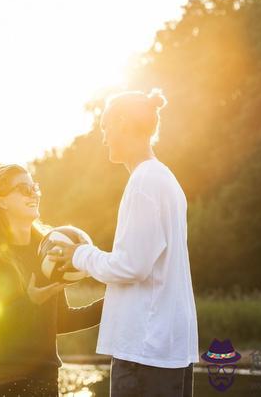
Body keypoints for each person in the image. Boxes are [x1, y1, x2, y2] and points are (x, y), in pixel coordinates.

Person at [48, 89, 199, 397]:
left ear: (123, 123)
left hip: (146, 352)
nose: (104, 137)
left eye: (105, 127)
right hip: (163, 350)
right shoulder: (163, 179)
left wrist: (79, 255)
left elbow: (130, 266)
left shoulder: (145, 182)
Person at [0, 164, 104, 397]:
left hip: (44, 380)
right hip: (1, 382)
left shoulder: (48, 252)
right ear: (1, 201)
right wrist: (29, 301)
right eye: (24, 188)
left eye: (35, 187)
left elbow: (60, 321)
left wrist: (111, 304)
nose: (33, 194)